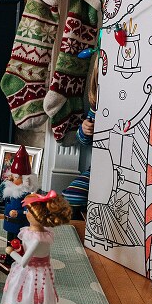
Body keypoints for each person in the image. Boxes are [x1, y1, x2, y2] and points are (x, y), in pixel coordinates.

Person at [0, 190, 72, 304]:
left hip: (32, 275)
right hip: (41, 271)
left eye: (27, 211)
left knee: (25, 300)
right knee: (28, 301)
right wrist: (19, 248)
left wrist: (11, 252)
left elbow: (24, 261)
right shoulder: (44, 234)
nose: (25, 213)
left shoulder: (37, 239)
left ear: (37, 217)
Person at [0, 145, 40, 273]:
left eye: (16, 177)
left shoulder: (27, 194)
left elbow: (29, 211)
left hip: (20, 222)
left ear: (26, 180)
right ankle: (9, 257)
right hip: (9, 221)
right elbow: (1, 195)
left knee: (18, 240)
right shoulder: (10, 188)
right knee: (9, 239)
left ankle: (17, 258)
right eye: (12, 176)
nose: (12, 179)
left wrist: (18, 213)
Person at [62, 54, 98, 216]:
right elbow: (83, 140)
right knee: (71, 196)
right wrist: (84, 130)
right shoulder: (98, 106)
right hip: (98, 168)